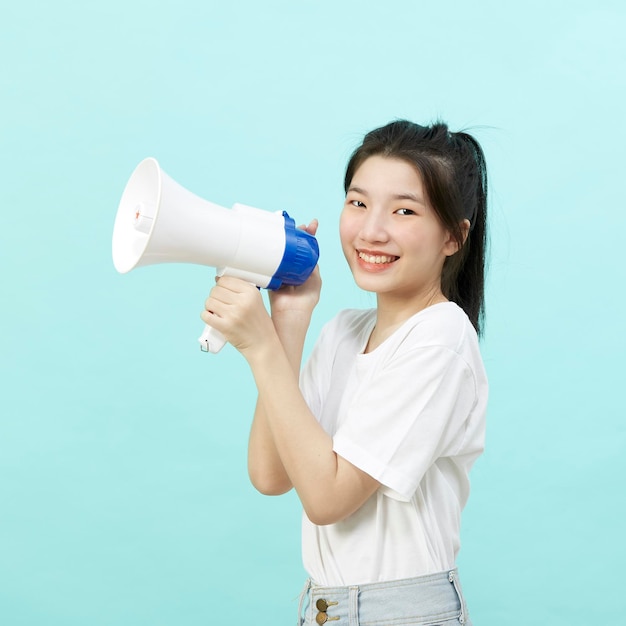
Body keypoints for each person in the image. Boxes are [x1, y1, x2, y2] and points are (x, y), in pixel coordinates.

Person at [201, 120, 489, 626]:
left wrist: (261, 348)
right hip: (325, 608)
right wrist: (288, 321)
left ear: (453, 237)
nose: (371, 230)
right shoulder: (345, 332)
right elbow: (270, 474)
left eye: (404, 210)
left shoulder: (442, 337)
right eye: (358, 202)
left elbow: (328, 497)